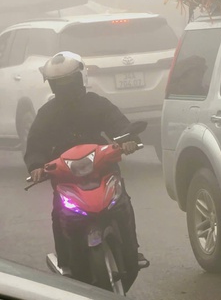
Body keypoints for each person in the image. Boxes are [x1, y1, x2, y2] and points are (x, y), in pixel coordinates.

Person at [24, 51, 147, 271]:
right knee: (59, 213)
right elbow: (36, 144)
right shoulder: (47, 113)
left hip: (103, 169)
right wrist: (36, 166)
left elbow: (118, 123)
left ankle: (132, 250)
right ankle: (66, 262)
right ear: (52, 86)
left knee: (123, 204)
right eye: (59, 83)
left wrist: (128, 139)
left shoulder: (96, 103)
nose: (66, 87)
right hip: (65, 176)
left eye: (69, 81)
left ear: (80, 78)